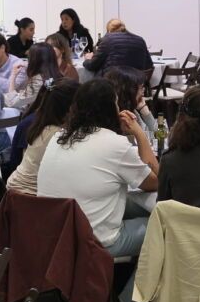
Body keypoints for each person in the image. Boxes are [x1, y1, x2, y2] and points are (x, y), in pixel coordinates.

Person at [37, 77, 158, 262]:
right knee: (163, 227)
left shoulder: (59, 137)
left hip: (55, 236)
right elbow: (154, 182)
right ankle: (131, 291)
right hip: (95, 241)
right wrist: (139, 134)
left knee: (137, 205)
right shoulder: (114, 143)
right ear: (111, 109)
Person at [7, 81, 77, 196]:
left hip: (15, 191)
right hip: (32, 196)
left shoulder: (39, 125)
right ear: (71, 109)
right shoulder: (58, 134)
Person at [85, 18, 152, 76]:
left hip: (112, 84)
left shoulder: (107, 39)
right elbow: (149, 65)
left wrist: (88, 59)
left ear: (109, 31)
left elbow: (92, 65)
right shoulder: (140, 40)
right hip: (135, 84)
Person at [6, 41, 61, 112]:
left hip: (40, 119)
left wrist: (13, 75)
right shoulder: (56, 76)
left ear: (34, 60)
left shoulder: (38, 80)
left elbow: (12, 102)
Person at [103, 68, 157, 138]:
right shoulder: (122, 118)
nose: (144, 91)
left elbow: (158, 137)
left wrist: (145, 111)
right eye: (141, 87)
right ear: (129, 91)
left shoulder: (131, 110)